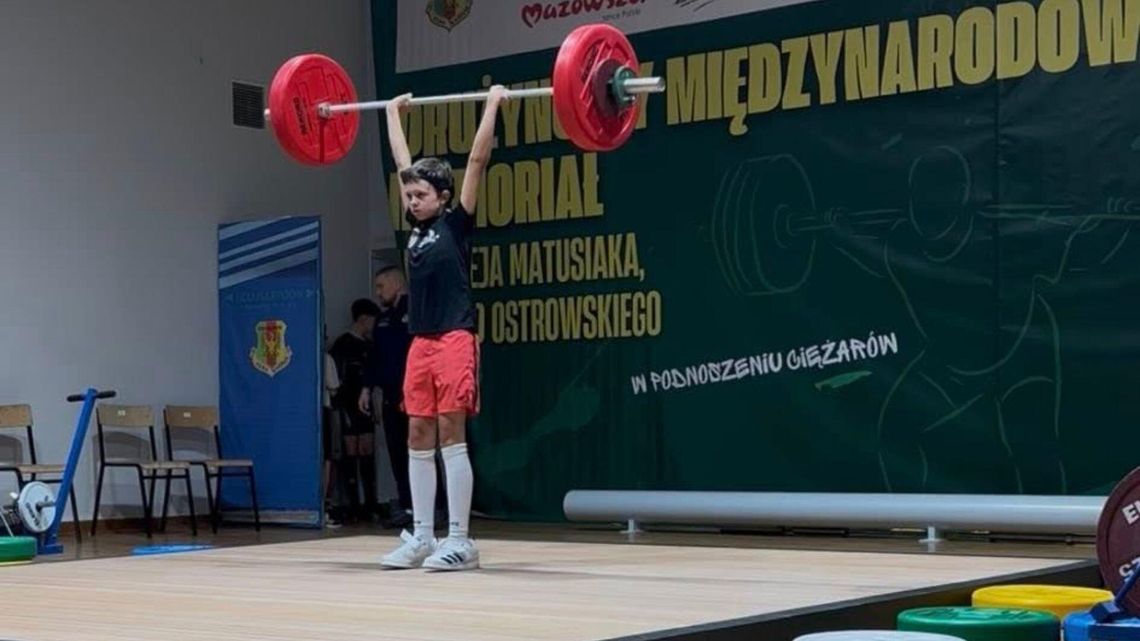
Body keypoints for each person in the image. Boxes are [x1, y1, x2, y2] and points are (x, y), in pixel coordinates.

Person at [378, 85, 506, 571]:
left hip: (454, 337)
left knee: (451, 432)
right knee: (417, 432)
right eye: (409, 195)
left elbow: (477, 160)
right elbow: (400, 161)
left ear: (443, 197)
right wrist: (391, 112)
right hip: (421, 342)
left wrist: (491, 105)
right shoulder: (414, 229)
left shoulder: (456, 224)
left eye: (420, 195)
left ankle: (460, 540)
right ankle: (422, 537)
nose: (412, 201)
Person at [359, 264, 414, 528]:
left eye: (381, 286)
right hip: (391, 397)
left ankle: (434, 507)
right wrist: (367, 388)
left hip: (414, 396)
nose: (378, 292)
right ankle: (406, 506)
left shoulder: (417, 312)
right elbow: (375, 358)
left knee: (421, 452)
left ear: (396, 283)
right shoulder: (382, 320)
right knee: (397, 453)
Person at [328, 298, 382, 523]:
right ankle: (351, 504)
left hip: (366, 406)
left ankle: (370, 503)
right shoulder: (342, 345)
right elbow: (336, 381)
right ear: (364, 319)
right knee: (351, 452)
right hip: (347, 406)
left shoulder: (370, 346)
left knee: (367, 451)